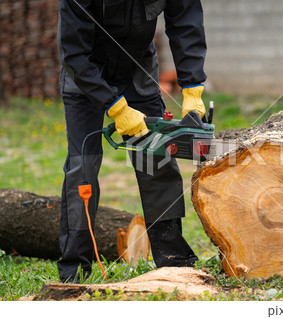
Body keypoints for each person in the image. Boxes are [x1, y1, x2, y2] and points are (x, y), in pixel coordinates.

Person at [56, 0, 207, 283]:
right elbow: (73, 53)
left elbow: (185, 21)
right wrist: (116, 107)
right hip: (84, 72)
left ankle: (174, 259)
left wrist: (192, 86)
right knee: (82, 168)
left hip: (137, 69)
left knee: (156, 159)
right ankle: (74, 269)